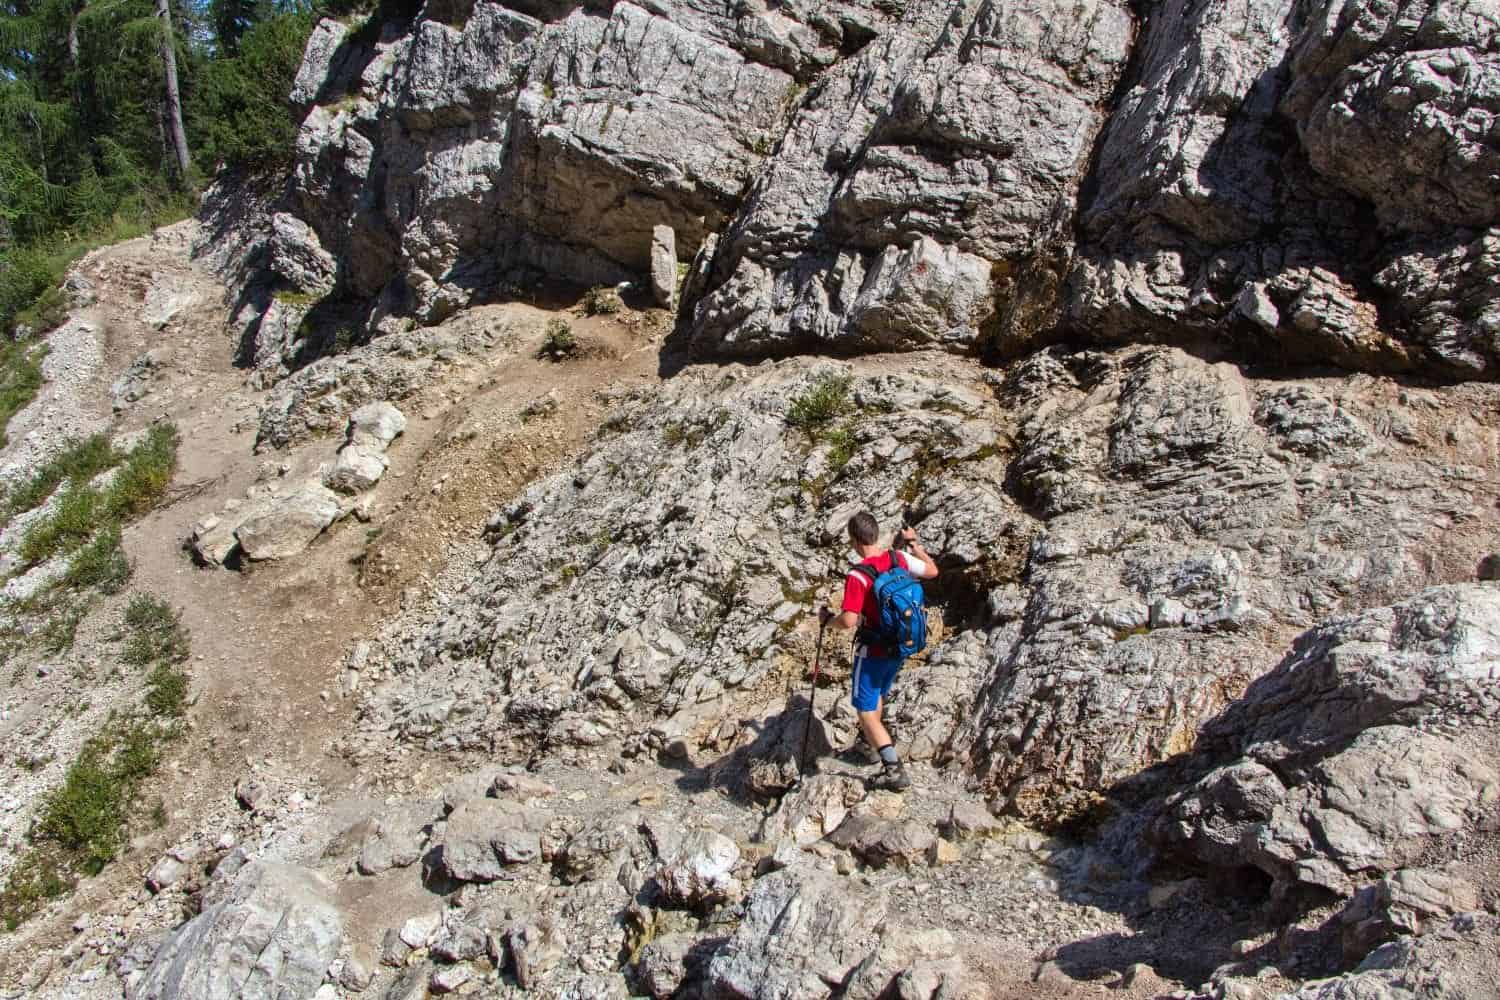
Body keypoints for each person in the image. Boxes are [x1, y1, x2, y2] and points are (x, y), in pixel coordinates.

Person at [819, 511, 939, 792]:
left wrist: (827, 620)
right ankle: (869, 744)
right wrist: (914, 544)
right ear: (875, 534)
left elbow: (848, 620)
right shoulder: (897, 559)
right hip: (900, 645)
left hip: (871, 650)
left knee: (865, 709)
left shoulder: (858, 575)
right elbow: (932, 571)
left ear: (854, 541)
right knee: (878, 696)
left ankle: (892, 768)